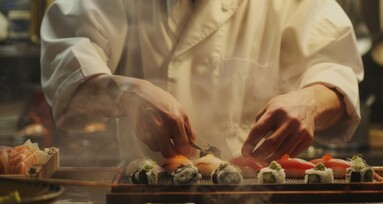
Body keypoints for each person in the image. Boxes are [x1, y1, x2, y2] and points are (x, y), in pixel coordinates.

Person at [40, 0, 363, 164]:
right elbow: (70, 58)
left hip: (262, 192)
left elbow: (334, 67)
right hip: (145, 194)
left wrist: (310, 101)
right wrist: (125, 92)